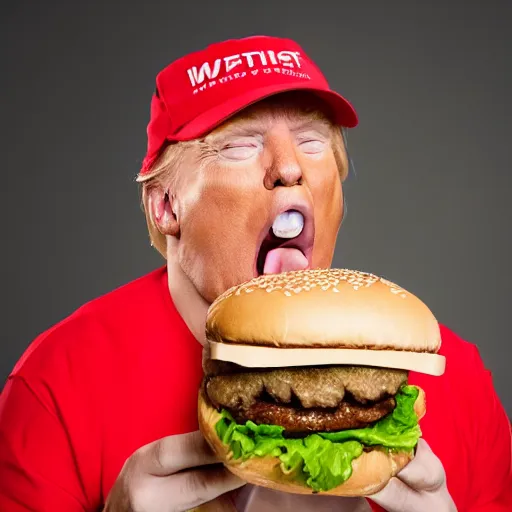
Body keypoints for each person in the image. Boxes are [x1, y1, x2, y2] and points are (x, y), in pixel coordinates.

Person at [0, 35, 510, 512]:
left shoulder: (453, 376)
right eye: (240, 146)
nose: (289, 167)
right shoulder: (56, 387)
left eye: (312, 142)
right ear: (166, 206)